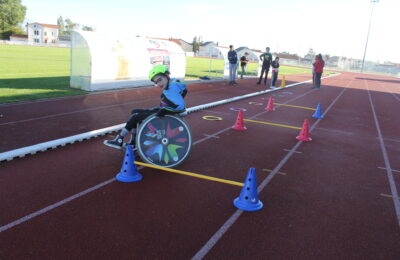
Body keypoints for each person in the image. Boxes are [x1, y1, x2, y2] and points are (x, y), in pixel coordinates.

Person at [104, 64, 187, 149]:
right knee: (135, 112)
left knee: (136, 117)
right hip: (165, 112)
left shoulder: (172, 87)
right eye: (156, 82)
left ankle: (120, 139)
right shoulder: (172, 84)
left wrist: (164, 111)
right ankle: (133, 142)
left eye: (159, 80)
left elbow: (181, 108)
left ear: (166, 75)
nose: (158, 84)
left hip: (166, 116)